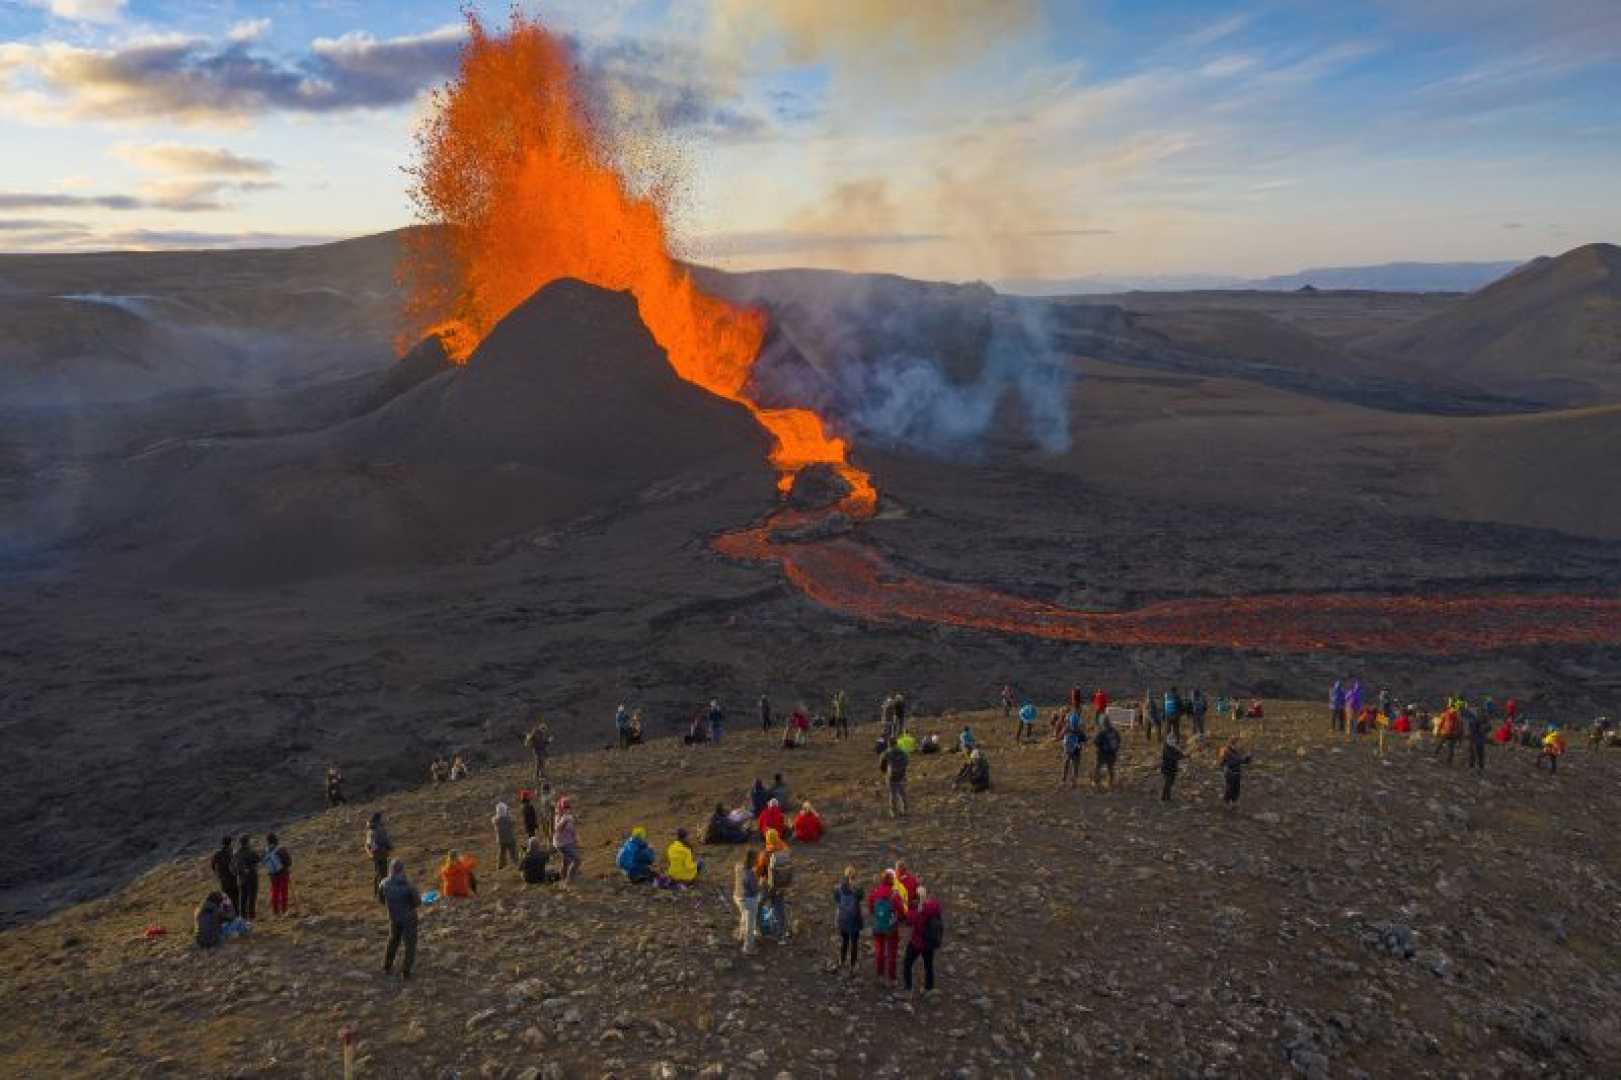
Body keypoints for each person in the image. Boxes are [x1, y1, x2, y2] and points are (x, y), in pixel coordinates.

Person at [377, 859, 420, 979]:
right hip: (409, 918)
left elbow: (381, 900)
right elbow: (417, 902)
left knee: (392, 941)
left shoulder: (383, 883)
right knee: (410, 945)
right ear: (402, 870)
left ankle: (387, 966)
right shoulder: (408, 885)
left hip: (393, 917)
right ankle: (406, 972)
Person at [904, 886, 944, 994]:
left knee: (907, 963)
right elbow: (938, 910)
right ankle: (929, 987)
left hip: (916, 943)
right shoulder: (934, 906)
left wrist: (912, 906)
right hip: (929, 943)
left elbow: (909, 921)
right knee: (928, 965)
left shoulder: (917, 911)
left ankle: (908, 988)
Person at [869, 870, 903, 983]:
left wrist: (878, 915)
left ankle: (880, 974)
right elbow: (901, 911)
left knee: (879, 950)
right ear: (891, 880)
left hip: (878, 926)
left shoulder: (875, 892)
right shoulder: (894, 894)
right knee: (892, 952)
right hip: (891, 928)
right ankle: (892, 977)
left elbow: (871, 908)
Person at [833, 867, 864, 976]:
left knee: (844, 940)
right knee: (854, 943)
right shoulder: (858, 889)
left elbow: (836, 899)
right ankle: (853, 965)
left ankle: (842, 960)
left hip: (843, 918)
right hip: (855, 919)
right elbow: (861, 897)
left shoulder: (838, 888)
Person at [764, 830, 793, 940]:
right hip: (784, 883)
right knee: (780, 906)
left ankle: (776, 930)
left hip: (772, 884)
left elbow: (763, 869)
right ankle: (785, 928)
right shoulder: (784, 848)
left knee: (771, 905)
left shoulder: (768, 852)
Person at [734, 851, 760, 955]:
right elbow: (754, 889)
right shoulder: (750, 873)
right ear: (752, 860)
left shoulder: (738, 867)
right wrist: (761, 886)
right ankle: (748, 947)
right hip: (749, 899)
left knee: (744, 916)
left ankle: (741, 935)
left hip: (737, 896)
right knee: (751, 925)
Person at [264, 832, 293, 917]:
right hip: (283, 873)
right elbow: (289, 862)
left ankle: (275, 911)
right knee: (284, 891)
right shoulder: (281, 849)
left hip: (273, 875)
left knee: (275, 892)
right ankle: (284, 910)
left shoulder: (266, 850)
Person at [209, 836, 240, 914]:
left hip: (223, 880)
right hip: (233, 879)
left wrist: (218, 874)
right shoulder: (232, 852)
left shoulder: (217, 854)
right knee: (235, 898)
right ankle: (236, 914)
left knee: (226, 898)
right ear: (230, 843)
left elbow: (212, 865)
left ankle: (227, 915)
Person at [553, 797, 580, 884]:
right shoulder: (559, 816)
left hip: (568, 842)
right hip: (561, 844)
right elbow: (557, 829)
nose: (567, 809)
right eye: (565, 807)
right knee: (577, 860)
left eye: (568, 807)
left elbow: (572, 828)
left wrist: (575, 837)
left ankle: (562, 877)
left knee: (566, 861)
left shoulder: (568, 816)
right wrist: (565, 820)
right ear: (561, 807)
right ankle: (570, 880)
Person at [880, 738, 910, 818]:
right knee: (902, 792)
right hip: (902, 774)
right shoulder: (903, 752)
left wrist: (885, 771)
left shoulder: (886, 753)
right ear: (896, 743)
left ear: (889, 744)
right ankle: (905, 810)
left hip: (891, 775)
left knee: (892, 794)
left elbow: (882, 765)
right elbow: (907, 761)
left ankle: (893, 812)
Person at [233, 834, 260, 920]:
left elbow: (231, 867)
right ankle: (251, 917)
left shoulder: (236, 853)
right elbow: (258, 859)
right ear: (248, 842)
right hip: (252, 878)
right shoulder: (251, 852)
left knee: (242, 899)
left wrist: (237, 873)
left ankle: (243, 918)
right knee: (251, 898)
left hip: (241, 879)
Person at [1218, 738, 1251, 807]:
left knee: (1236, 789)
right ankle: (1226, 802)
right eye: (1238, 744)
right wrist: (1243, 759)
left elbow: (1242, 761)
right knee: (1230, 789)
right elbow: (1233, 761)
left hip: (1237, 773)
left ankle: (1233, 801)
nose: (1239, 746)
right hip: (1230, 773)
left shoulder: (1236, 751)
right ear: (1233, 744)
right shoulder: (1226, 751)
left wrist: (1248, 758)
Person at [1093, 714, 1122, 789]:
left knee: (1097, 767)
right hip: (1113, 753)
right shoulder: (1114, 731)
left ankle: (1096, 782)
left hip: (1103, 753)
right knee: (1110, 768)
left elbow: (1096, 742)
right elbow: (1119, 740)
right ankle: (1110, 782)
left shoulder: (1101, 732)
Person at [366, 812, 393, 886]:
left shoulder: (370, 831)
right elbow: (386, 841)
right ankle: (382, 892)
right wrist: (390, 847)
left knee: (377, 873)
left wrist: (371, 854)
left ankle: (377, 891)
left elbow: (368, 844)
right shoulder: (380, 830)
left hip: (375, 855)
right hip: (382, 854)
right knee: (383, 874)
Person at [493, 802, 520, 870]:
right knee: (513, 852)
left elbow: (494, 819)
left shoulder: (496, 820)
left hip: (500, 840)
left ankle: (500, 865)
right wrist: (508, 814)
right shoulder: (508, 819)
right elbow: (514, 821)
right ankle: (516, 863)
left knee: (501, 853)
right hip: (510, 839)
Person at [1160, 735, 1185, 801]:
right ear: (1168, 741)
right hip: (1167, 768)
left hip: (1173, 768)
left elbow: (1180, 754)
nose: (1173, 742)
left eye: (1174, 740)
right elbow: (1171, 757)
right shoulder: (1166, 748)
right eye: (1171, 740)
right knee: (1167, 783)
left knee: (1171, 783)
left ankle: (1168, 797)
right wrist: (1178, 757)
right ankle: (1163, 797)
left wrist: (1181, 754)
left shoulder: (1173, 748)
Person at [1062, 720, 1086, 786]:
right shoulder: (1078, 731)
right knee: (1073, 765)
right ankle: (1070, 780)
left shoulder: (1069, 729)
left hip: (1071, 749)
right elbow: (1084, 741)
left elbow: (1061, 736)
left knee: (1070, 764)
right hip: (1073, 749)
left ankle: (1068, 780)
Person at [1466, 704, 1489, 773]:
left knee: (1473, 754)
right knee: (1480, 754)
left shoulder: (1473, 719)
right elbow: (1489, 727)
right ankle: (1481, 768)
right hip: (1481, 739)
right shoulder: (1485, 719)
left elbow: (1471, 729)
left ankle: (1472, 767)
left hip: (1474, 739)